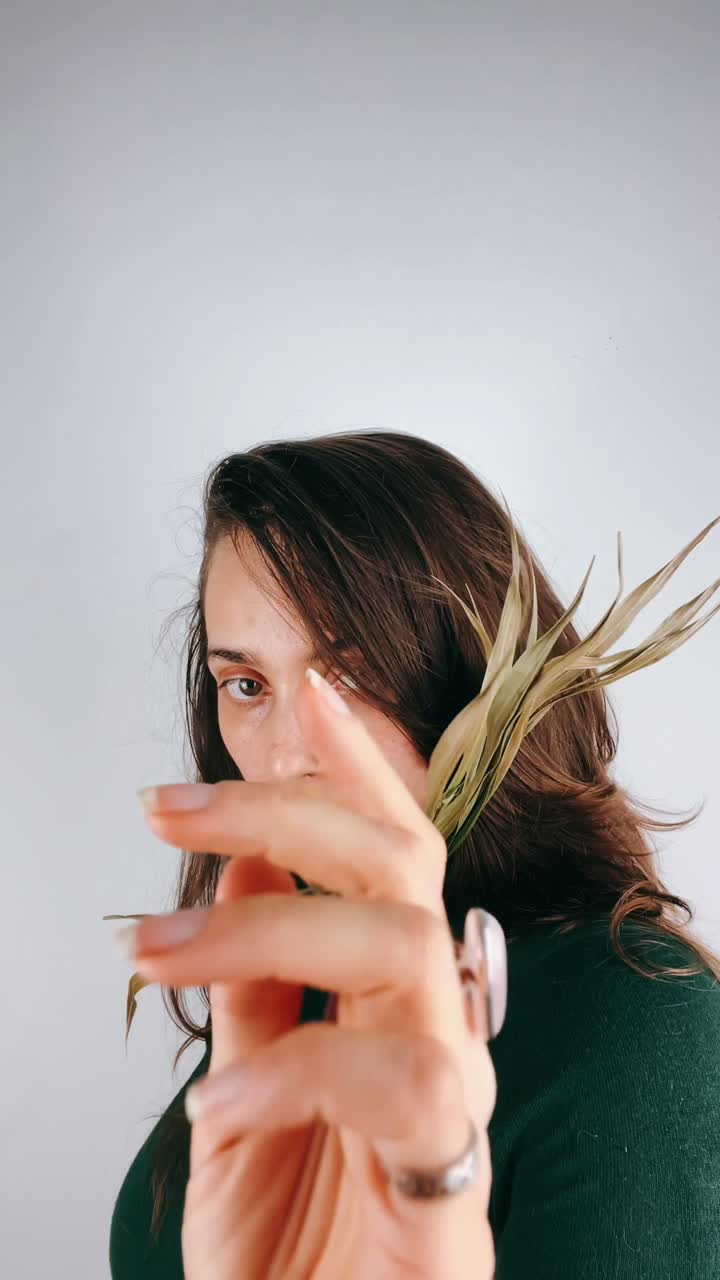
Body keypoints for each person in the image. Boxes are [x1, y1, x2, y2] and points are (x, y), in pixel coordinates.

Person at [109, 429, 720, 1278]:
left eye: (350, 679)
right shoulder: (282, 994)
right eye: (246, 686)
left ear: (467, 679)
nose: (287, 757)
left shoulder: (632, 1021)